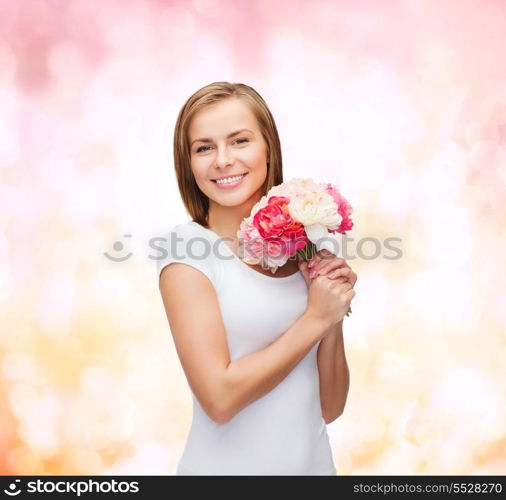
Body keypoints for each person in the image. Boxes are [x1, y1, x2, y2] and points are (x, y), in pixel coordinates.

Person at [156, 81, 357, 475]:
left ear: (268, 148)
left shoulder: (310, 245)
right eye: (204, 147)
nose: (223, 160)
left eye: (239, 141)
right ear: (189, 163)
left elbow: (330, 407)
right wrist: (315, 318)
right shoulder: (188, 251)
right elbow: (220, 398)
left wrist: (332, 313)